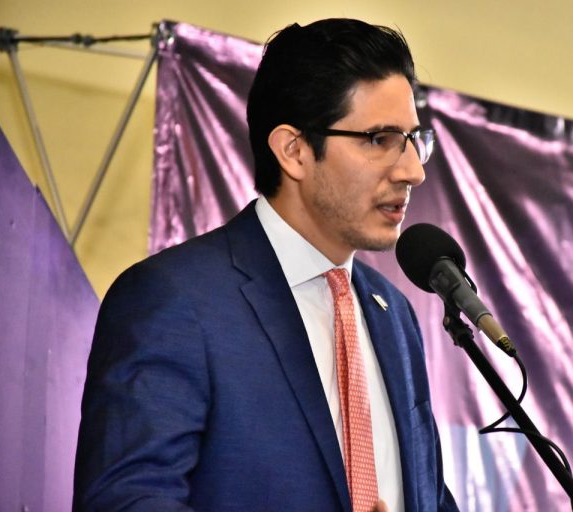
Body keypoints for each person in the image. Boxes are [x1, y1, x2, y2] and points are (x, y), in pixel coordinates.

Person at [73, 18, 458, 512]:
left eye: (413, 139)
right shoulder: (175, 301)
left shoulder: (395, 315)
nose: (413, 171)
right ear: (294, 151)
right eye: (379, 139)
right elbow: (127, 501)